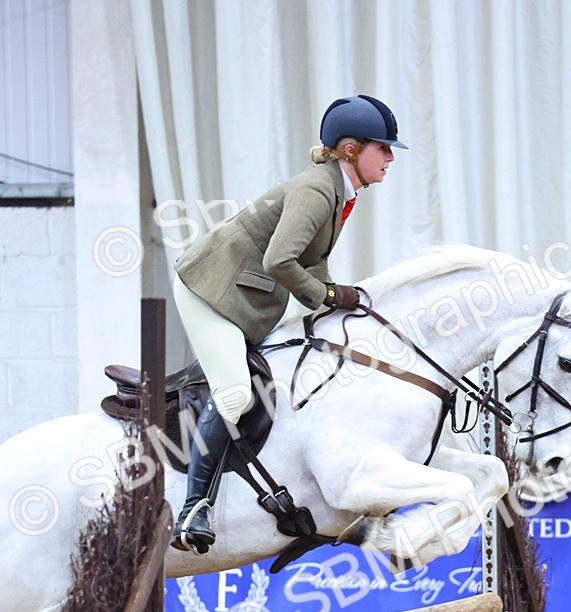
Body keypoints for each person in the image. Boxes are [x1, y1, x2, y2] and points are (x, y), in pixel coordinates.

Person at [170, 94, 407, 552]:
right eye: (384, 146)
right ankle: (193, 508)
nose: (391, 156)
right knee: (236, 392)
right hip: (209, 292)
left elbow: (312, 264)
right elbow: (282, 260)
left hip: (246, 299)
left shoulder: (338, 189)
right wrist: (329, 296)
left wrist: (347, 306)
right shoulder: (317, 190)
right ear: (352, 149)